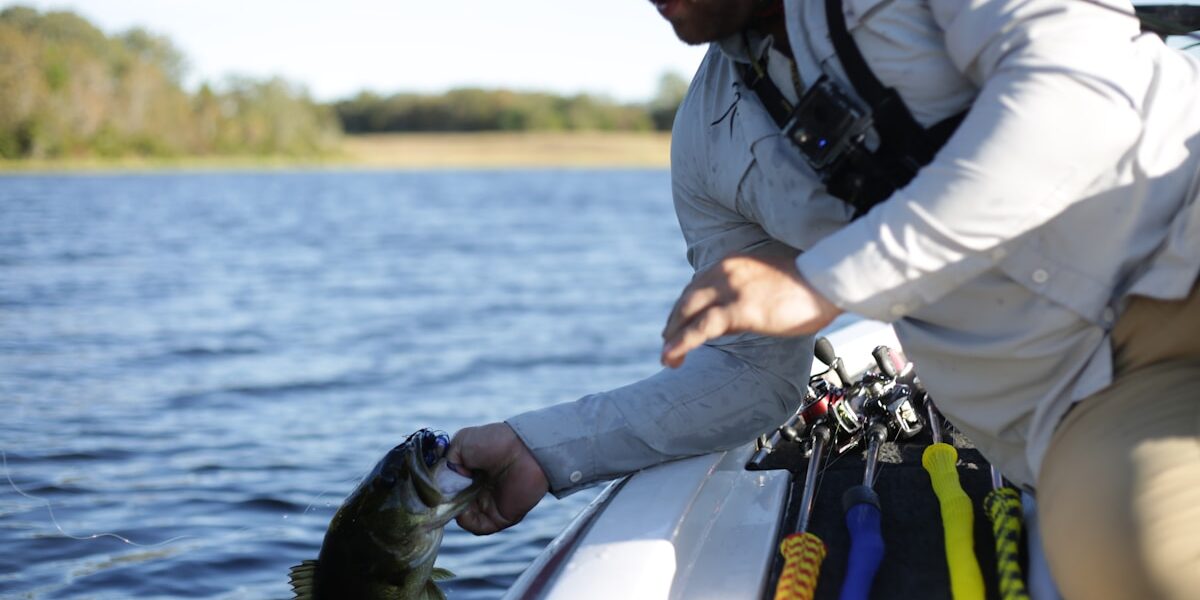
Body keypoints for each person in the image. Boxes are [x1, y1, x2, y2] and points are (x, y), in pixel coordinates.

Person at [448, 0, 1200, 598]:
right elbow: (751, 377)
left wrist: (825, 280)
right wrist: (540, 447)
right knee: (1148, 568)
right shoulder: (705, 145)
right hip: (1091, 403)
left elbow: (1076, 106)